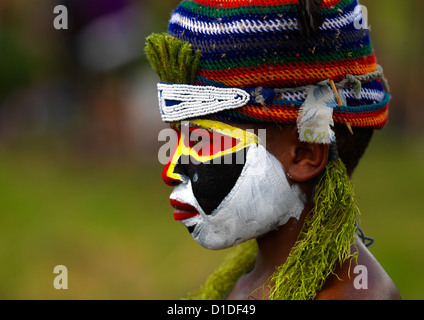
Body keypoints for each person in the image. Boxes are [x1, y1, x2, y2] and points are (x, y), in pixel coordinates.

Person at [145, 0, 401, 300]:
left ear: (304, 155)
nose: (170, 170)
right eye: (178, 139)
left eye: (202, 142)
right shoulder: (249, 282)